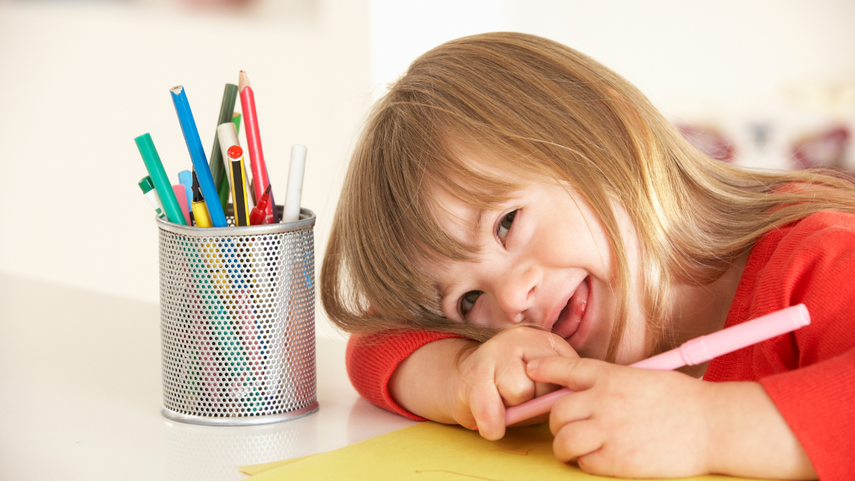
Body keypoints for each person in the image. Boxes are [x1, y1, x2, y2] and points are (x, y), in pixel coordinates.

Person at [320, 32, 855, 480]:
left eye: (507, 222)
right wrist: (463, 374)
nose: (510, 300)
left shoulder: (822, 258)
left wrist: (707, 427)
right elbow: (376, 337)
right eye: (467, 299)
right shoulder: (545, 329)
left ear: (612, 135)